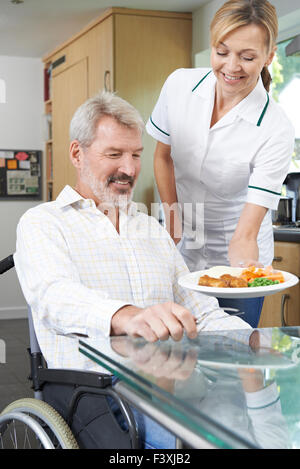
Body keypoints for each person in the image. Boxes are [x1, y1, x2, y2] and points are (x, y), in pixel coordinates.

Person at [14, 91, 250, 449]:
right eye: (114, 154)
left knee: (251, 416)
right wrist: (126, 316)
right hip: (95, 389)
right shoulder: (43, 223)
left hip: (172, 381)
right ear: (77, 154)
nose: (130, 168)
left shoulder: (152, 229)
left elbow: (200, 312)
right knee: (177, 440)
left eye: (136, 155)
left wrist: (258, 343)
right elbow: (53, 296)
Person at [146, 0, 295, 328]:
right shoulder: (180, 85)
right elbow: (162, 156)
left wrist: (245, 273)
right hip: (183, 250)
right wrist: (174, 223)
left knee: (232, 362)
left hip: (235, 254)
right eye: (222, 51)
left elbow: (244, 234)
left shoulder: (275, 127)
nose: (231, 66)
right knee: (178, 356)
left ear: (269, 57)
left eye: (248, 57)